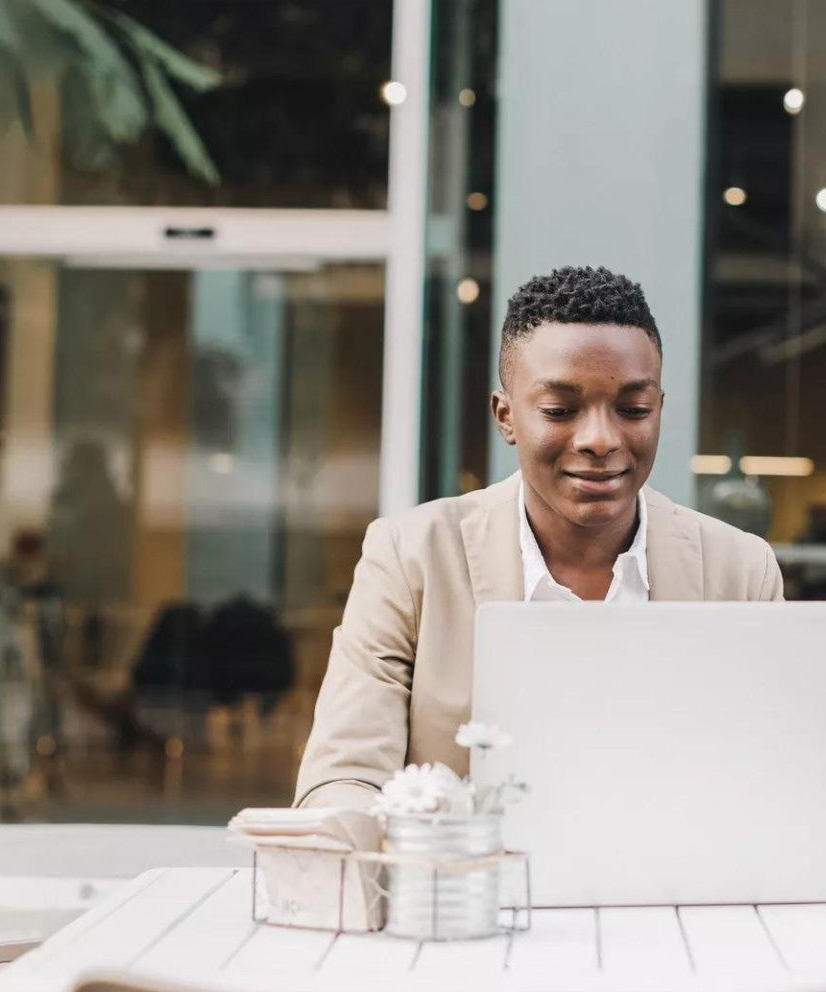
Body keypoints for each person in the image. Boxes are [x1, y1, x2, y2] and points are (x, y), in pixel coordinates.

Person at [295, 266, 784, 810]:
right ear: (506, 417)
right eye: (559, 411)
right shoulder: (411, 557)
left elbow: (774, 777)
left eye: (633, 410)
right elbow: (342, 782)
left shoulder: (741, 571)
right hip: (470, 884)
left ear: (660, 411)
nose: (600, 439)